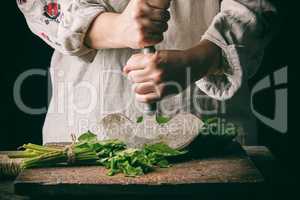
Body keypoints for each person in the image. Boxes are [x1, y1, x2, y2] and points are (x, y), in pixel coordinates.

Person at [17, 0, 278, 145]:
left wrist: (198, 60)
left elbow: (256, 5)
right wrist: (113, 27)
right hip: (84, 128)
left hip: (213, 127)